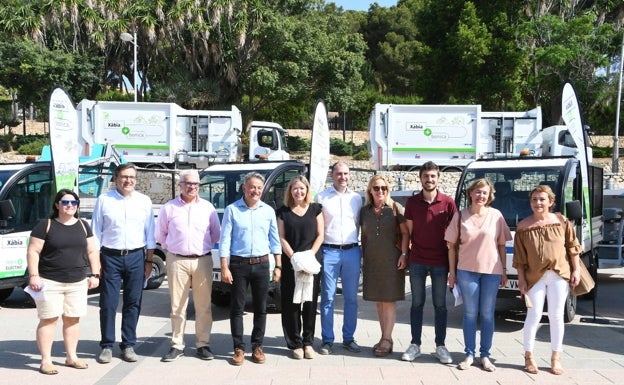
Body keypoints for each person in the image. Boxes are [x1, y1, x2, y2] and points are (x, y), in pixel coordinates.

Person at [26, 189, 100, 375]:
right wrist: (34, 275)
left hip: (77, 282)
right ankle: (46, 361)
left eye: (74, 203)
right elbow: (33, 251)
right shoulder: (46, 225)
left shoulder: (83, 225)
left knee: (72, 319)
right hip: (50, 281)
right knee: (49, 320)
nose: (70, 206)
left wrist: (95, 274)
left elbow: (92, 251)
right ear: (57, 205)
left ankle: (71, 357)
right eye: (65, 202)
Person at [513, 185, 581, 375]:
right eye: (534, 199)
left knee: (556, 316)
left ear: (551, 202)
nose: (538, 203)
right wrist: (521, 280)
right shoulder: (523, 226)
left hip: (559, 274)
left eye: (542, 199)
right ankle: (529, 356)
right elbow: (519, 258)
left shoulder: (561, 221)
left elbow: (572, 247)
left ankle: (555, 358)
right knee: (533, 315)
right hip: (534, 277)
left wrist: (576, 270)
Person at [92, 163, 156, 364]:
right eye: (124, 177)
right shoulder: (104, 200)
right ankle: (107, 345)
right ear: (116, 178)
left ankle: (128, 344)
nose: (128, 181)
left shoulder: (144, 201)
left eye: (132, 177)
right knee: (108, 303)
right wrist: (96, 264)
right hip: (110, 257)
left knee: (133, 302)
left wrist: (148, 261)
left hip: (136, 256)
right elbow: (95, 234)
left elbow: (150, 234)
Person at [445, 178, 511, 372]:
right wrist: (452, 272)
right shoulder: (460, 216)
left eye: (484, 192)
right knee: (470, 314)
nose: (481, 195)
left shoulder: (496, 216)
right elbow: (451, 247)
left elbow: (501, 244)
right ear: (470, 193)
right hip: (466, 271)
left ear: (489, 195)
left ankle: (485, 356)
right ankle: (469, 354)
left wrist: (504, 270)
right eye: (477, 192)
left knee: (488, 314)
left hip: (491, 271)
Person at [155, 169, 221, 362]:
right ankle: (177, 345)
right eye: (188, 183)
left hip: (203, 260)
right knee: (177, 306)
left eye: (195, 184)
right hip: (177, 260)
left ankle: (203, 344)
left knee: (204, 306)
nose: (192, 187)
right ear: (180, 185)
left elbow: (215, 234)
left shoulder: (208, 208)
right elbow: (161, 235)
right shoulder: (169, 208)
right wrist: (175, 248)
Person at [219, 172, 282, 366]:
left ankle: (257, 346)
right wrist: (224, 267)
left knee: (261, 308)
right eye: (252, 187)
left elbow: (275, 240)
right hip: (238, 265)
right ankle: (238, 347)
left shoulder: (268, 211)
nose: (255, 191)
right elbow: (225, 240)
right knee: (237, 308)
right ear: (244, 188)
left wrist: (278, 265)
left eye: (258, 188)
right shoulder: (232, 210)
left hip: (262, 265)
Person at [402, 161, 456, 364]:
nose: (429, 179)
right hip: (417, 260)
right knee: (416, 304)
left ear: (438, 178)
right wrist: (405, 255)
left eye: (433, 176)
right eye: (426, 176)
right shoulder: (412, 203)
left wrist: (453, 267)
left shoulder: (448, 203)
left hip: (440, 262)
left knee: (440, 305)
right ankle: (415, 344)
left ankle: (440, 346)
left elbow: (453, 236)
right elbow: (408, 232)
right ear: (420, 178)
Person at [315, 161, 363, 355]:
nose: (343, 177)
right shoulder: (322, 197)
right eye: (339, 174)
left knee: (352, 298)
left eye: (346, 174)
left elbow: (360, 224)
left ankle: (349, 338)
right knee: (327, 297)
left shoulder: (357, 198)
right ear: (332, 175)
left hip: (352, 251)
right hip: (330, 252)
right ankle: (327, 340)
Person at [359, 175, 408, 357]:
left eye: (384, 188)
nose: (380, 191)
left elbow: (405, 234)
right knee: (379, 301)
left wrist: (404, 254)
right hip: (372, 260)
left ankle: (387, 339)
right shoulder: (364, 211)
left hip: (392, 259)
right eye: (377, 188)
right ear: (370, 190)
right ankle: (384, 337)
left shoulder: (395, 208)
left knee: (389, 300)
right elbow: (363, 236)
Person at [276, 175, 324, 360]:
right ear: (290, 191)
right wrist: (295, 258)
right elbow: (282, 237)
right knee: (291, 304)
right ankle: (294, 343)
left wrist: (309, 256)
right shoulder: (283, 212)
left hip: (311, 262)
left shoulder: (315, 209)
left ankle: (308, 343)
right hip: (291, 263)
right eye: (295, 188)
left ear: (307, 190)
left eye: (302, 188)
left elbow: (320, 235)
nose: (299, 192)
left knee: (310, 305)